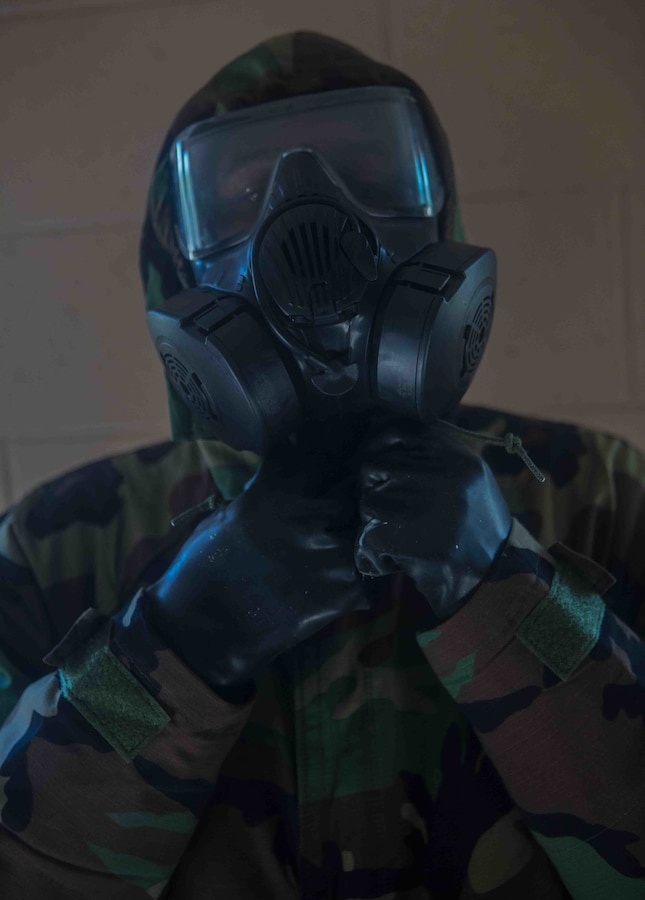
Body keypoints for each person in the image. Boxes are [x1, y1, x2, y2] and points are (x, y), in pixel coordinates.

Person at [0, 30, 643, 900]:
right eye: (238, 196)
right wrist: (178, 642)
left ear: (440, 221)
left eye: (372, 178)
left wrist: (508, 588)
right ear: (172, 263)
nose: (306, 221)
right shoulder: (48, 548)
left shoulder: (602, 493)